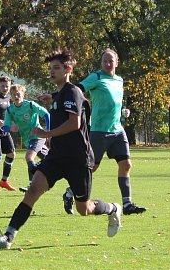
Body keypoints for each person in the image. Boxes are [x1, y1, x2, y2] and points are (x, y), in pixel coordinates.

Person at [0, 49, 122, 250]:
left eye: (56, 68)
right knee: (32, 191)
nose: (51, 71)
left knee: (84, 209)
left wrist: (45, 134)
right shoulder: (61, 94)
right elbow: (62, 102)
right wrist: (52, 98)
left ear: (68, 69)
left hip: (77, 159)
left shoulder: (73, 92)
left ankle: (112, 209)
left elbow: (74, 123)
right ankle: (7, 237)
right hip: (57, 157)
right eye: (50, 68)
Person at [58, 49, 146, 215]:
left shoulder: (119, 80)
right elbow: (76, 90)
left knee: (126, 164)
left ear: (116, 62)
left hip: (117, 130)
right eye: (104, 61)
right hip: (99, 131)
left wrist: (123, 111)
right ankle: (70, 192)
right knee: (92, 167)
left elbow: (113, 102)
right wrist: (57, 96)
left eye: (110, 61)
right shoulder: (96, 78)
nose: (107, 64)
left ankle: (127, 205)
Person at [3, 84, 50, 191]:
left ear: (23, 94)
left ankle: (32, 185)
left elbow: (46, 114)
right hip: (27, 139)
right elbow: (5, 126)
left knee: (29, 157)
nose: (16, 96)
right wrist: (10, 128)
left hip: (37, 136)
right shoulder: (10, 110)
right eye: (14, 94)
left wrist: (48, 131)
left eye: (18, 94)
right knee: (49, 159)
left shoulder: (30, 105)